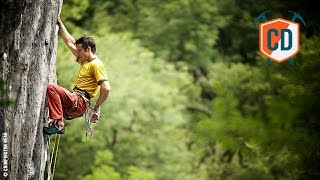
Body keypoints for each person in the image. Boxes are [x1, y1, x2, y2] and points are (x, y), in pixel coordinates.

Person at [43, 17, 111, 135]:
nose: (77, 53)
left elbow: (106, 88)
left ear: (88, 49)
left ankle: (59, 124)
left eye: (80, 50)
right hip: (76, 103)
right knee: (51, 98)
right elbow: (70, 42)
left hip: (80, 101)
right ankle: (56, 121)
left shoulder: (96, 64)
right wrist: (60, 23)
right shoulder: (85, 61)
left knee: (51, 88)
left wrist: (96, 107)